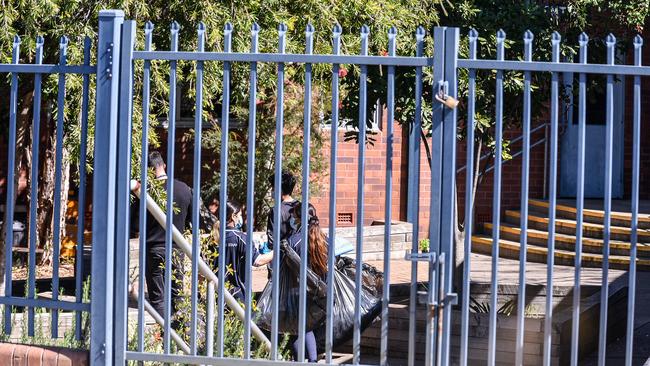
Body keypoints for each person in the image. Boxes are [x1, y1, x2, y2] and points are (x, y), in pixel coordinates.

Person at [130, 151, 192, 319]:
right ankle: (179, 333)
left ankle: (165, 335)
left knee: (158, 296)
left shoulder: (144, 192)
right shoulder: (184, 189)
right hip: (177, 247)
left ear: (149, 170)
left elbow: (134, 224)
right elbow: (191, 221)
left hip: (153, 248)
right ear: (164, 165)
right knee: (177, 294)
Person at [284, 202, 329, 363]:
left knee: (298, 329)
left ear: (299, 218)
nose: (292, 220)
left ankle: (308, 361)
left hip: (297, 292)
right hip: (319, 292)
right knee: (306, 328)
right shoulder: (325, 240)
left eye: (294, 216)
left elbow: (286, 267)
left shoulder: (293, 241)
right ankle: (311, 360)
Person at [214, 200, 273, 301]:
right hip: (238, 295)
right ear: (233, 216)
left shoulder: (213, 239)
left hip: (216, 294)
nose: (241, 218)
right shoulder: (241, 238)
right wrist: (277, 251)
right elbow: (258, 261)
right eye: (240, 215)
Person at [266, 170, 300, 250]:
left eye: (273, 188)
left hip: (283, 257)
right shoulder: (302, 207)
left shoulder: (276, 211)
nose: (272, 191)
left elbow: (272, 242)